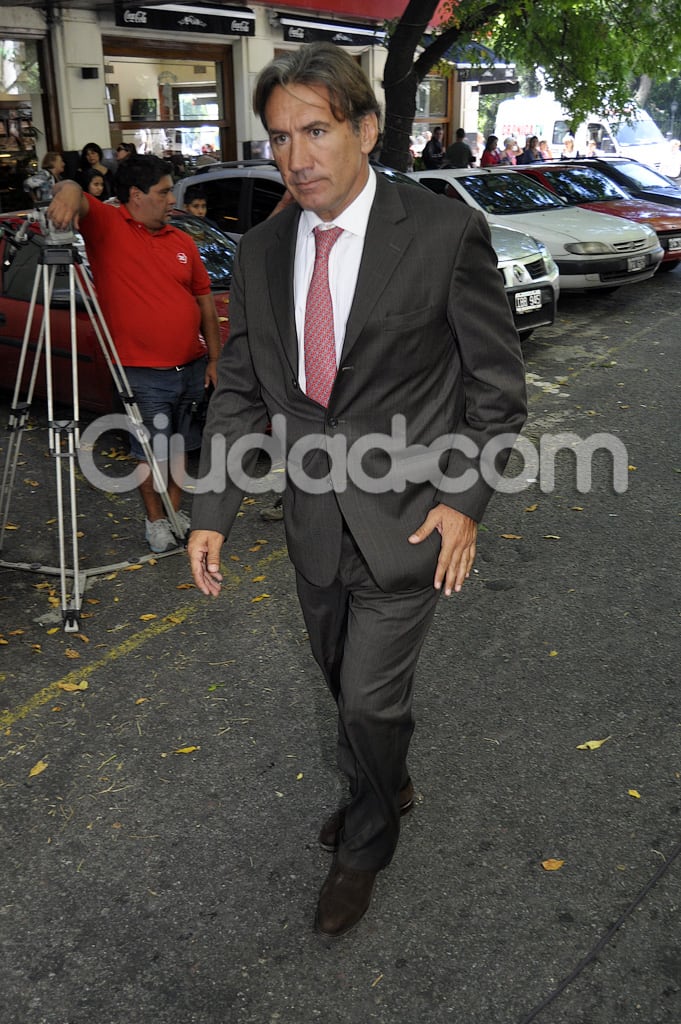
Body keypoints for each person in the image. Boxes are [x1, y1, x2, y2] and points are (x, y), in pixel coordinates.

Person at [187, 43, 526, 938]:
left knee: (371, 700)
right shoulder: (260, 251)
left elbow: (496, 390)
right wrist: (212, 510)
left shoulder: (443, 233)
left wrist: (463, 500)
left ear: (365, 130)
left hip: (411, 519)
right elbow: (239, 391)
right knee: (345, 687)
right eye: (278, 137)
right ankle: (389, 778)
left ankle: (367, 841)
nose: (296, 157)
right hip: (309, 521)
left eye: (317, 130)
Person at [46, 155, 221, 554]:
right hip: (141, 373)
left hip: (191, 367)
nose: (171, 198)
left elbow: (205, 303)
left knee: (180, 446)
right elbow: (73, 190)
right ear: (136, 196)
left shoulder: (181, 241)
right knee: (150, 450)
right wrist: (68, 192)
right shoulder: (108, 227)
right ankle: (155, 521)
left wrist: (214, 358)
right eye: (163, 192)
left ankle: (175, 513)